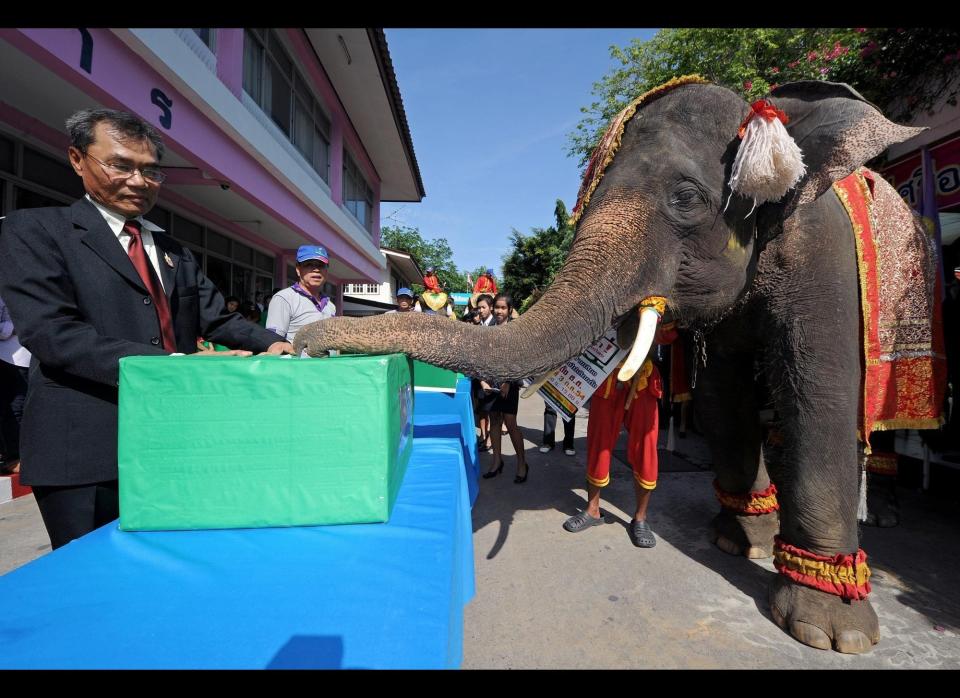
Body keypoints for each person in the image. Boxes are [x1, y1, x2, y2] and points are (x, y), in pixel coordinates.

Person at [0, 108, 293, 549]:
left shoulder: (173, 249)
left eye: (151, 170)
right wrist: (178, 367)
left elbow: (219, 318)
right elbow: (53, 334)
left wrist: (278, 344)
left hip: (173, 443)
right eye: (121, 165)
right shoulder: (35, 231)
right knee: (95, 584)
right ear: (78, 160)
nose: (139, 181)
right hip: (85, 451)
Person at [563, 320, 678, 548]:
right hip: (606, 378)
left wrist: (656, 317)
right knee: (598, 444)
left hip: (642, 379)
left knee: (645, 449)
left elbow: (668, 336)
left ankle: (640, 518)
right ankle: (593, 509)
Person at [482, 293, 529, 484]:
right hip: (491, 385)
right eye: (497, 307)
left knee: (510, 424)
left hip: (509, 386)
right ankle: (496, 462)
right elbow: (482, 359)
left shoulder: (517, 331)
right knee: (494, 421)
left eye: (503, 308)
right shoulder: (488, 330)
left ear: (510, 310)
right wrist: (482, 382)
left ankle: (522, 464)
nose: (499, 311)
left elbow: (520, 361)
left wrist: (508, 382)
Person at [265, 246, 337, 342]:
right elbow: (273, 343)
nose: (316, 269)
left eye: (321, 265)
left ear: (326, 271)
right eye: (309, 264)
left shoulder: (330, 305)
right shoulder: (284, 298)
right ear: (298, 270)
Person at [0, 294, 30, 475]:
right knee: (13, 407)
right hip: (6, 357)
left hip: (26, 355)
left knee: (25, 405)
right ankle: (14, 456)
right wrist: (14, 326)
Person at [471, 294, 496, 451]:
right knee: (481, 410)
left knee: (492, 411)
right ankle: (483, 436)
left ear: (490, 307)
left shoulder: (497, 325)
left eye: (483, 307)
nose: (480, 310)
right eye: (479, 307)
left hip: (492, 377)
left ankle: (490, 440)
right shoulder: (479, 326)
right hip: (479, 376)